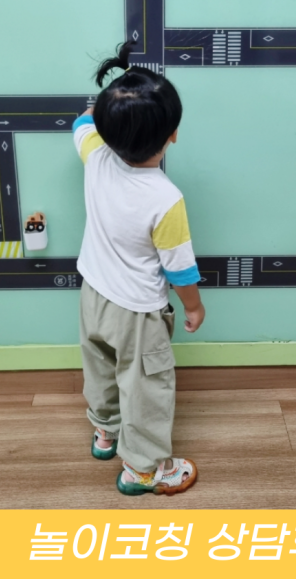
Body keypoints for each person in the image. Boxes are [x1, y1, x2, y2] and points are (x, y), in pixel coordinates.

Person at [73, 41, 205, 496]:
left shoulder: (95, 157)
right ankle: (145, 469)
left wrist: (112, 100)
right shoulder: (165, 198)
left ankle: (105, 430)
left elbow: (81, 122)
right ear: (173, 135)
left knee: (100, 366)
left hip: (92, 295)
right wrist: (194, 307)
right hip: (137, 314)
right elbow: (179, 268)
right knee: (146, 386)